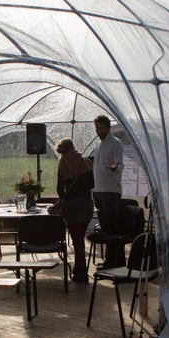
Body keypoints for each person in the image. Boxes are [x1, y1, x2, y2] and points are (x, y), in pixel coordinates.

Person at [54, 138, 95, 282]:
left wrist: (63, 199)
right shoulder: (86, 162)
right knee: (80, 240)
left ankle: (82, 273)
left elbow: (60, 188)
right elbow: (92, 184)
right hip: (87, 204)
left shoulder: (63, 164)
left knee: (77, 241)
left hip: (73, 206)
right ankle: (78, 270)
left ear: (62, 151)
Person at [91, 114, 125, 268]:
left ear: (109, 128)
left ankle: (114, 262)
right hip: (98, 190)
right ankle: (111, 260)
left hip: (111, 191)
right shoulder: (99, 144)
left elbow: (120, 164)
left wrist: (115, 167)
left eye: (102, 128)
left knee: (110, 228)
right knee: (105, 228)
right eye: (97, 128)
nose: (99, 131)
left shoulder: (115, 143)